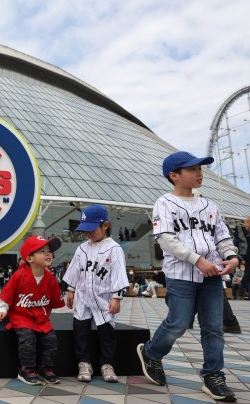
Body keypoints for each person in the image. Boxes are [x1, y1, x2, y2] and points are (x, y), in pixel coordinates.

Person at [137, 151, 240, 402]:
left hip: (212, 274)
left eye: (199, 169)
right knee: (178, 323)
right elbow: (166, 240)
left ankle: (213, 375)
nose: (199, 173)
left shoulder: (209, 205)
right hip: (181, 273)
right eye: (192, 169)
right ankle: (151, 353)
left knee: (214, 328)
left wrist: (233, 256)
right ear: (174, 176)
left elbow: (223, 237)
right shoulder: (164, 203)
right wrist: (198, 259)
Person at [63, 205, 129, 383]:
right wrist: (70, 290)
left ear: (105, 225)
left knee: (107, 334)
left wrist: (117, 297)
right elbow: (75, 271)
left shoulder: (114, 249)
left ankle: (107, 364)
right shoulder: (82, 248)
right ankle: (84, 363)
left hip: (104, 298)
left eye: (91, 229)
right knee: (80, 332)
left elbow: (119, 274)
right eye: (84, 229)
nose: (87, 233)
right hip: (83, 298)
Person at [0, 235, 65, 385]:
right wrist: (2, 310)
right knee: (28, 339)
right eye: (42, 251)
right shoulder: (18, 276)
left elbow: (53, 302)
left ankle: (45, 368)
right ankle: (26, 369)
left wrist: (46, 317)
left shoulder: (51, 278)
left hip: (41, 317)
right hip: (22, 316)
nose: (48, 254)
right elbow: (5, 296)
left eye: (49, 251)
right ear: (30, 258)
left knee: (51, 340)